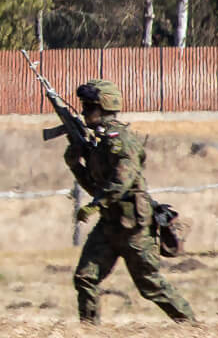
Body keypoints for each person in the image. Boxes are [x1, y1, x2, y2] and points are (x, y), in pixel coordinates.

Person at [66, 80, 196, 324]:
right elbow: (96, 187)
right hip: (109, 225)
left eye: (89, 107)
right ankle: (89, 332)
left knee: (150, 284)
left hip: (134, 227)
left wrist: (95, 205)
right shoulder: (100, 143)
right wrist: (75, 165)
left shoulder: (122, 141)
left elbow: (120, 182)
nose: (83, 112)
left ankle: (191, 326)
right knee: (85, 277)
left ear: (104, 107)